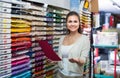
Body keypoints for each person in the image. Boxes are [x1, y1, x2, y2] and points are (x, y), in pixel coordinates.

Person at [56, 11, 90, 78]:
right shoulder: (62, 38)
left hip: (75, 76)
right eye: (70, 21)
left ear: (79, 23)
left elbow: (83, 60)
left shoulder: (84, 39)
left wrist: (77, 60)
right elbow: (61, 58)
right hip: (59, 74)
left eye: (75, 21)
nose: (72, 24)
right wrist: (54, 60)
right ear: (66, 23)